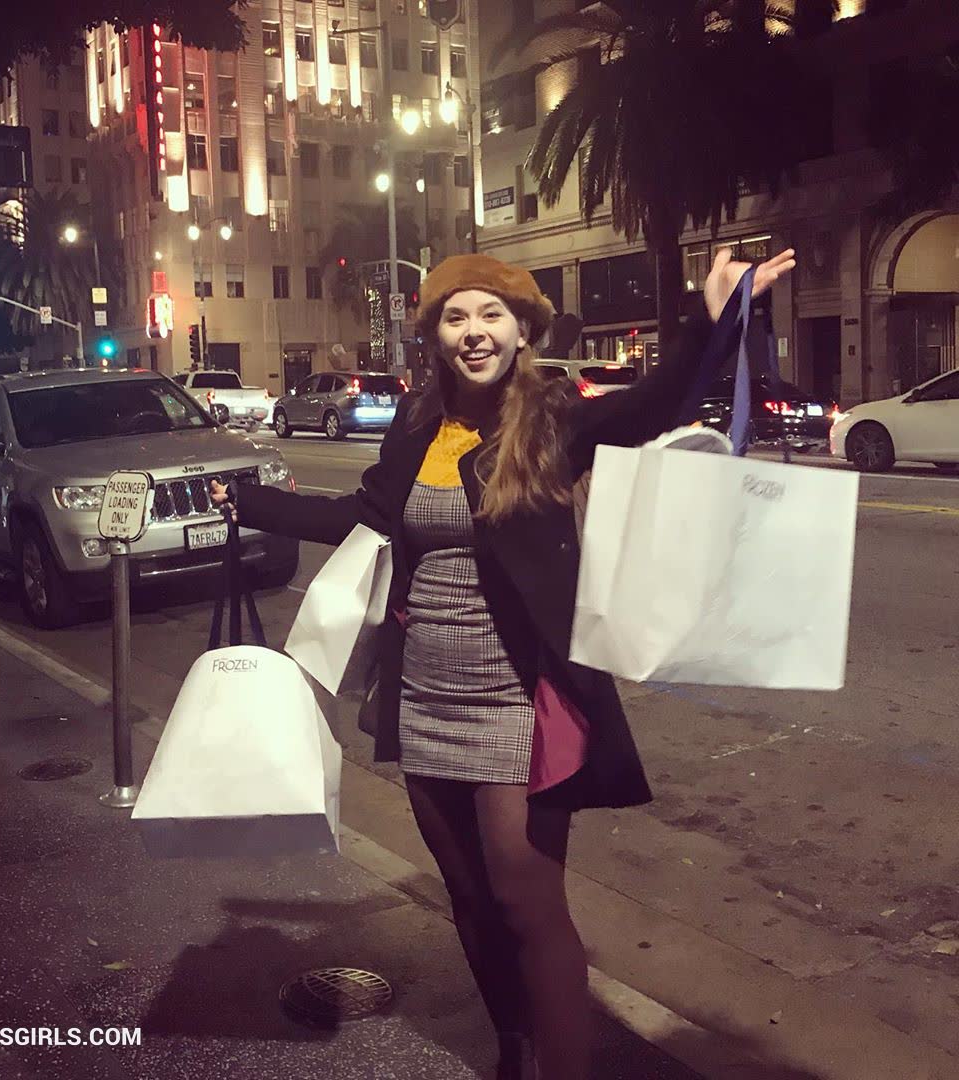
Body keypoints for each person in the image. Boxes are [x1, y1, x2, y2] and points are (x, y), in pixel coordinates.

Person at [211, 247, 795, 1080]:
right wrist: (250, 502)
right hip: (425, 697)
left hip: (519, 699)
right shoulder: (417, 426)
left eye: (492, 315)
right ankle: (514, 1048)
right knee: (469, 897)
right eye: (456, 317)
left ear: (523, 330)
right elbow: (361, 514)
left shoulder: (551, 420)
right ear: (434, 335)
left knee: (527, 900)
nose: (474, 332)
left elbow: (656, 403)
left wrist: (713, 316)